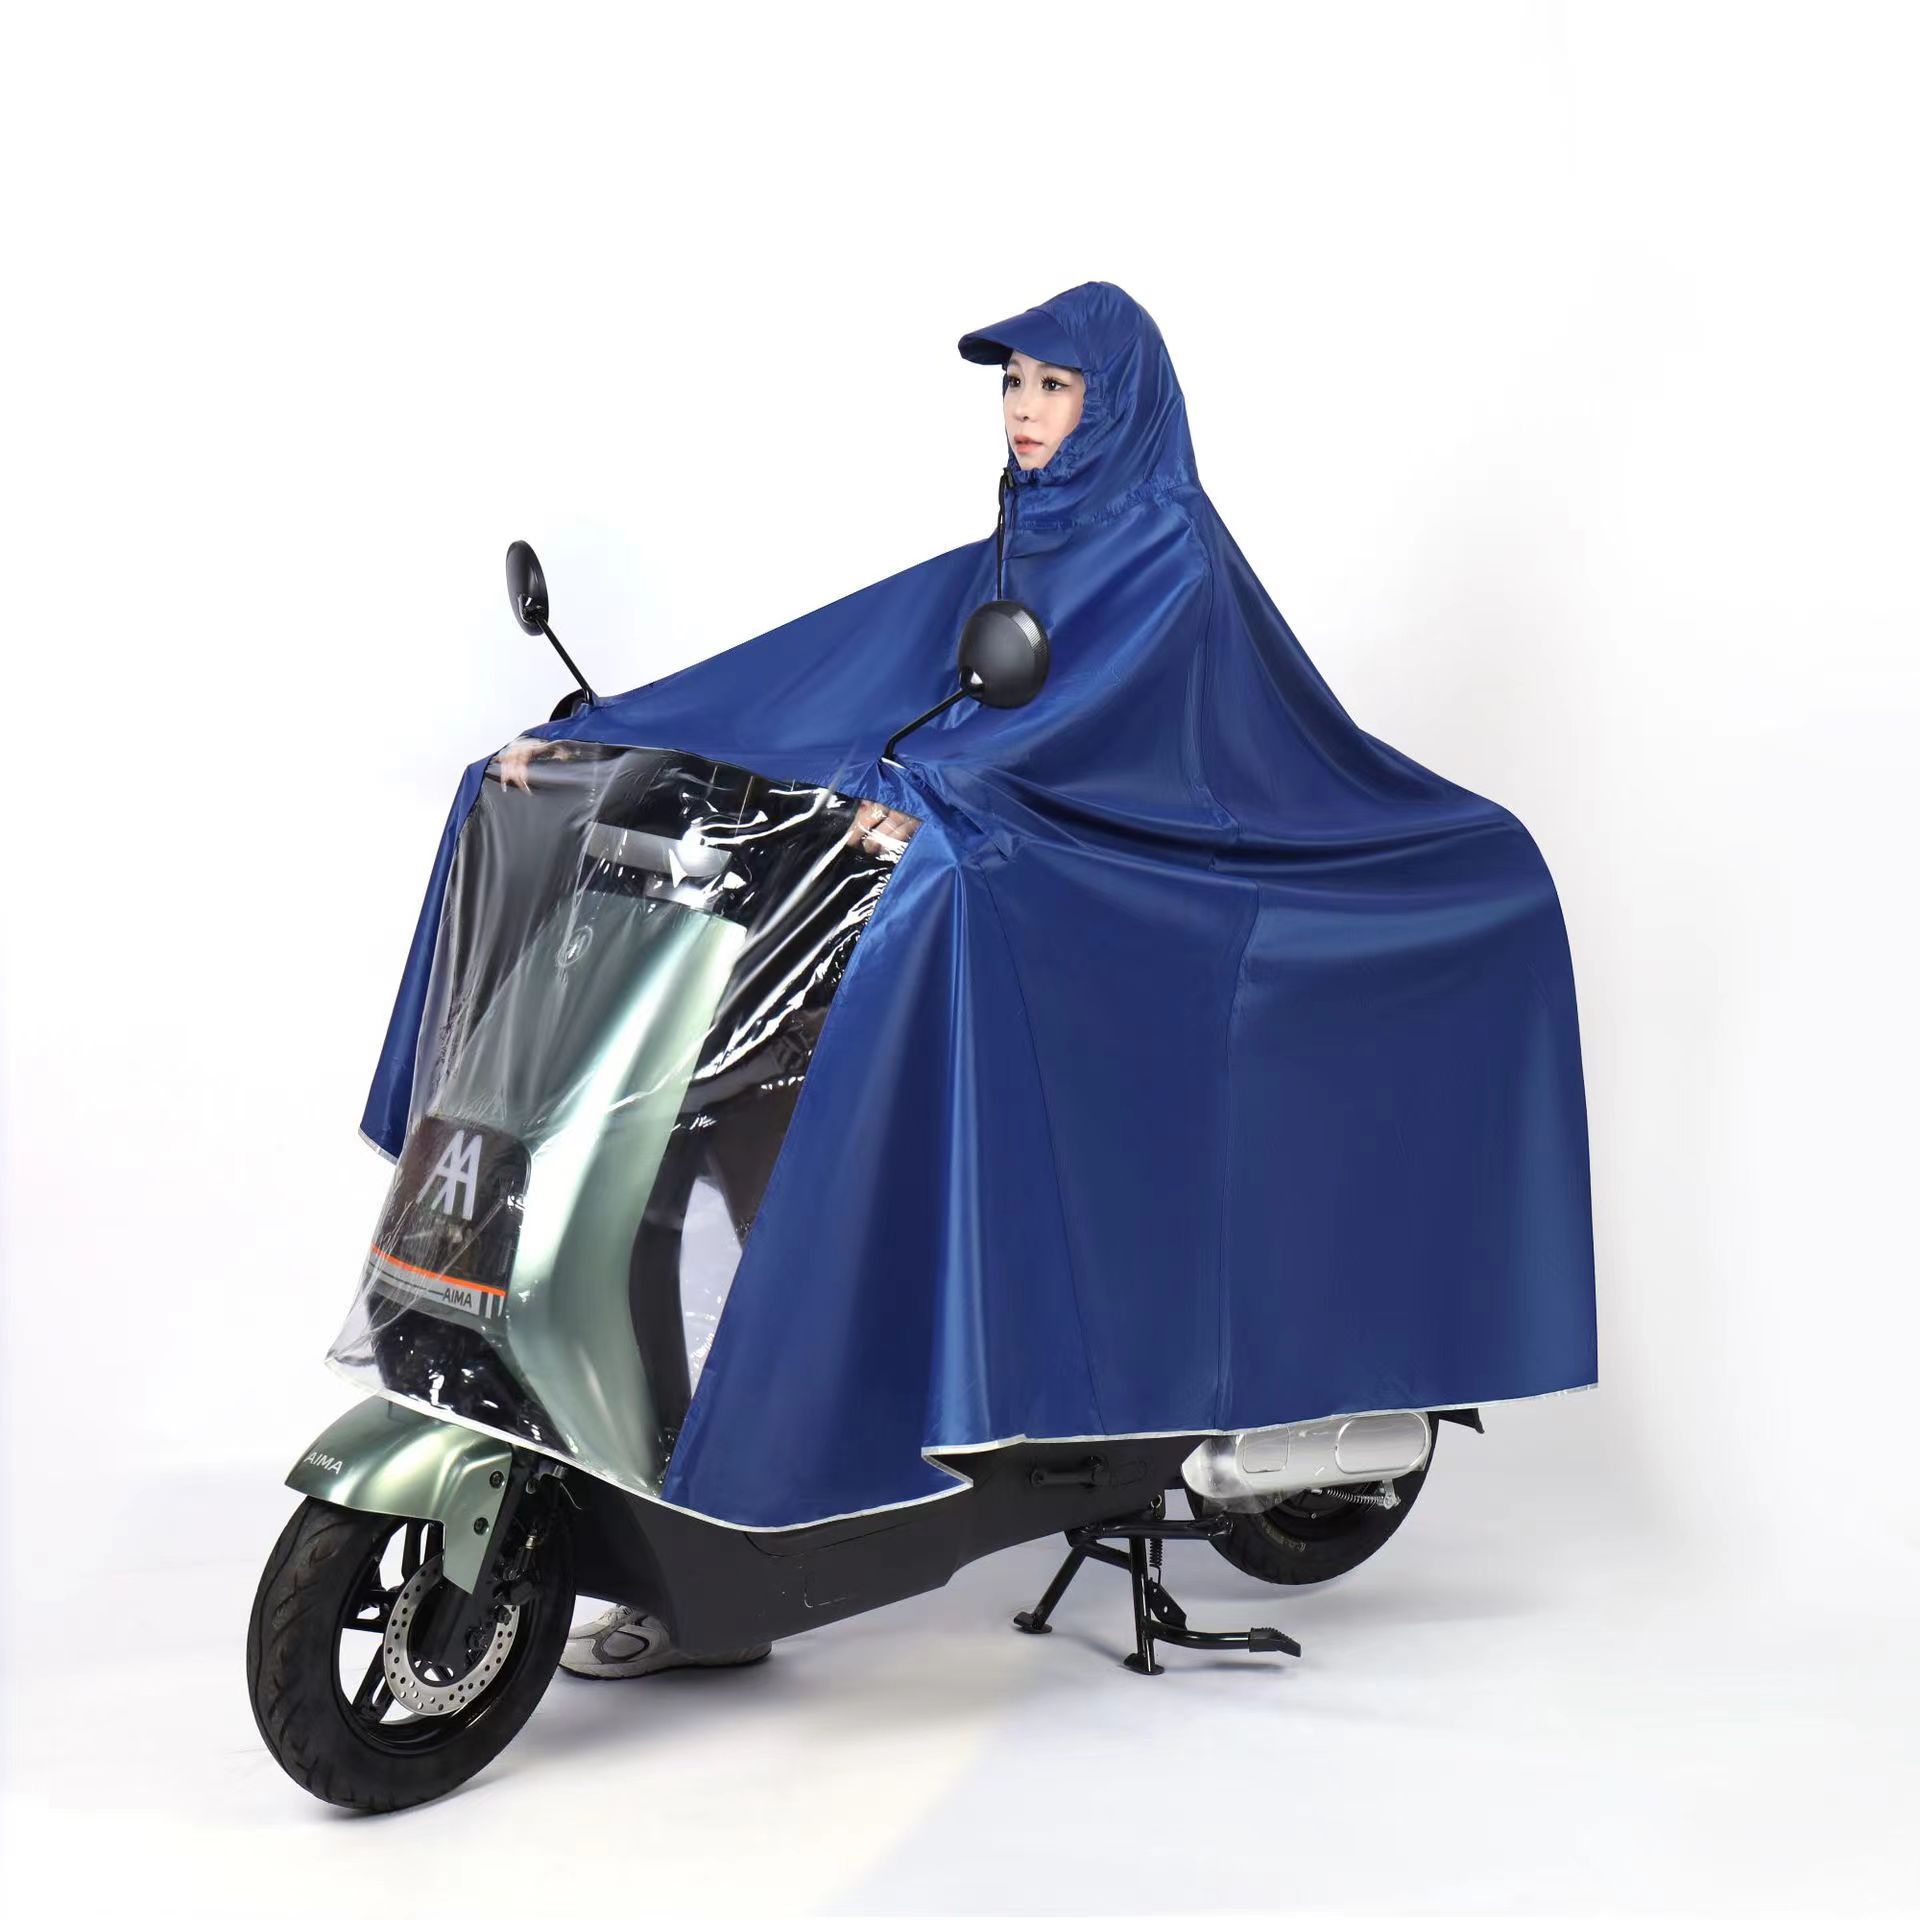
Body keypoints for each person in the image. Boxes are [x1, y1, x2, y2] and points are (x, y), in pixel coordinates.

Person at [553, 336, 1086, 1680]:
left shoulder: (1163, 564)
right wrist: (604, 737)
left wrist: (942, 811)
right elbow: (825, 676)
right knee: (676, 1143)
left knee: (794, 1179)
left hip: (1046, 933)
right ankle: (696, 1507)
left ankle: (790, 1508)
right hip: (905, 918)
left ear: (1115, 400)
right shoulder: (1002, 557)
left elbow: (1110, 757)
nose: (1023, 410)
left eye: (1055, 385)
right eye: (1012, 385)